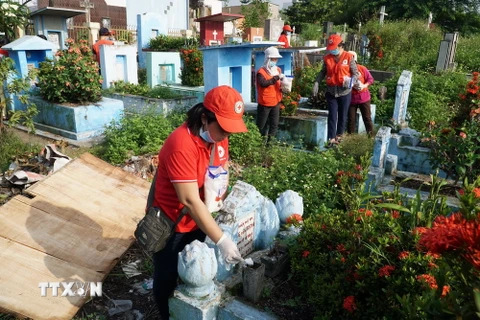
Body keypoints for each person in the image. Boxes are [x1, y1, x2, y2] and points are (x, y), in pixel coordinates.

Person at [151, 85, 246, 319]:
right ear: (204, 118)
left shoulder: (219, 138)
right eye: (223, 128)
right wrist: (222, 240)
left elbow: (221, 170)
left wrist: (219, 197)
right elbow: (190, 201)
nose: (227, 135)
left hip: (199, 221)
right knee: (167, 276)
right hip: (172, 223)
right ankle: (164, 313)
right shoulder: (181, 145)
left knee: (192, 272)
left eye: (230, 130)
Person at [312, 34, 359, 147]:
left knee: (343, 115)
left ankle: (339, 136)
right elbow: (323, 72)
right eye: (331, 48)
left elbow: (356, 73)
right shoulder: (327, 58)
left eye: (334, 48)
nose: (332, 50)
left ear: (340, 46)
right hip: (331, 91)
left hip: (344, 91)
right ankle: (331, 139)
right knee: (332, 115)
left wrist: (351, 81)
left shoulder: (348, 57)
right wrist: (317, 82)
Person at [256, 46, 284, 143]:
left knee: (274, 125)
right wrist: (275, 78)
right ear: (268, 59)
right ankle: (258, 144)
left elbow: (279, 83)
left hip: (276, 101)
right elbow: (263, 83)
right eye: (273, 59)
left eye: (276, 59)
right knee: (261, 126)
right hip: (265, 103)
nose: (274, 61)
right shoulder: (261, 72)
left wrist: (284, 85)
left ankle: (270, 145)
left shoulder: (278, 70)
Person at [347, 51, 374, 136]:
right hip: (351, 99)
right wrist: (351, 85)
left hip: (364, 98)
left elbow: (370, 79)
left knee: (367, 118)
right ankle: (350, 137)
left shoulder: (362, 68)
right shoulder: (345, 70)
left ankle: (371, 136)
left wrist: (363, 86)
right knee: (351, 119)